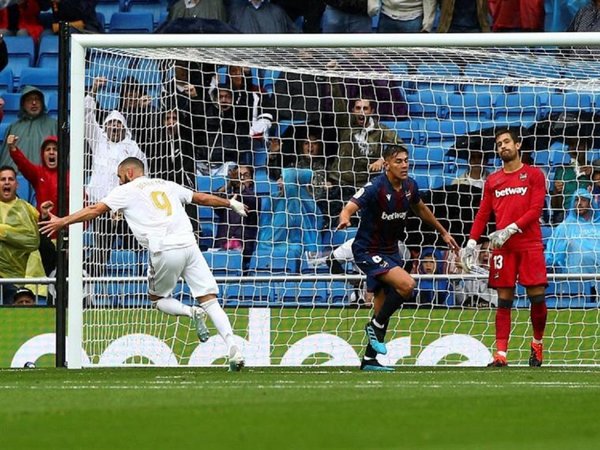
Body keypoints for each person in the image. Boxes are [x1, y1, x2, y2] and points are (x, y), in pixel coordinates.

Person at [40, 157, 248, 371]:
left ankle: (190, 312)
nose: (119, 181)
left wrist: (63, 221)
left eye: (120, 177)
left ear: (129, 173)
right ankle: (233, 346)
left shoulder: (126, 190)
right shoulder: (166, 184)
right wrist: (230, 203)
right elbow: (200, 198)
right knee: (210, 300)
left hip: (164, 248)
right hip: (189, 245)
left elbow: (94, 209)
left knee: (157, 299)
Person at [337, 144, 459, 371]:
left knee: (381, 306)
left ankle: (369, 360)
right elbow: (350, 206)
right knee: (407, 284)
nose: (404, 165)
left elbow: (421, 209)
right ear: (386, 164)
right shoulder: (375, 187)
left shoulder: (410, 186)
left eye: (406, 161)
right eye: (398, 161)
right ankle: (374, 326)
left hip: (391, 250)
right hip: (367, 250)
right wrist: (345, 217)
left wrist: (443, 232)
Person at [461, 128, 548, 367]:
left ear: (517, 145)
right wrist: (471, 242)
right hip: (503, 248)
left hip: (528, 244)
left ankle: (537, 343)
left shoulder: (534, 175)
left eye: (507, 142)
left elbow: (535, 210)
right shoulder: (493, 180)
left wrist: (511, 228)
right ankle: (501, 354)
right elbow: (483, 213)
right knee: (503, 299)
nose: (503, 146)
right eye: (499, 144)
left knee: (537, 297)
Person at [0, 165, 41, 305]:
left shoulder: (26, 209)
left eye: (10, 179)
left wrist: (3, 231)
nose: (6, 182)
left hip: (14, 281)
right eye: (2, 179)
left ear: (16, 184)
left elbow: (32, 241)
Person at [214, 164, 258, 272]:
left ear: (251, 180)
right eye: (238, 175)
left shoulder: (254, 198)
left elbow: (249, 200)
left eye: (245, 175)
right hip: (221, 247)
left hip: (244, 250)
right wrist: (228, 185)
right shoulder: (226, 200)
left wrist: (241, 187)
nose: (241, 178)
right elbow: (215, 200)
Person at [0, 86, 57, 168]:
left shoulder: (54, 125)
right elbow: (6, 160)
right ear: (23, 104)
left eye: (37, 99)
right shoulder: (13, 128)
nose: (34, 103)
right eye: (29, 100)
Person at [546, 188, 600, 274]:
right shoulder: (565, 227)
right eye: (576, 200)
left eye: (583, 200)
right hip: (573, 278)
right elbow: (552, 254)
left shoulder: (598, 225)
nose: (579, 203)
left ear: (590, 203)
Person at [229, 0, 300, 33]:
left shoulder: (277, 12)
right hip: (247, 60)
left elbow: (295, 33)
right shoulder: (238, 14)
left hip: (272, 60)